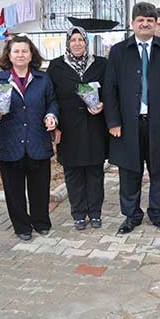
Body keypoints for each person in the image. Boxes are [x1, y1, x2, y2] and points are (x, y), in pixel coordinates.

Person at [103, 2, 160, 235]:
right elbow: (110, 89)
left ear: (157, 24)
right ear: (132, 24)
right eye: (140, 20)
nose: (145, 23)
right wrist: (113, 122)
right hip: (128, 124)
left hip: (159, 123)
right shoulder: (118, 51)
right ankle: (131, 215)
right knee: (129, 171)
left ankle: (159, 215)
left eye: (150, 20)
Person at [0, 35, 59, 241]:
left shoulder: (43, 79)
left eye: (24, 51)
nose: (20, 55)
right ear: (9, 55)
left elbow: (52, 102)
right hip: (9, 142)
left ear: (31, 54)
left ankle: (41, 222)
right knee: (14, 190)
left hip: (37, 140)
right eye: (16, 51)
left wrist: (52, 115)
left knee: (40, 187)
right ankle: (22, 226)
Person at [47, 26, 108, 230]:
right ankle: (79, 213)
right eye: (73, 40)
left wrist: (102, 105)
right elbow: (51, 97)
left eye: (81, 39)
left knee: (95, 172)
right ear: (67, 43)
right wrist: (53, 123)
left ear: (86, 41)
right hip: (69, 128)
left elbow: (109, 91)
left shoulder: (101, 64)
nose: (77, 44)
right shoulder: (56, 67)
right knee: (73, 173)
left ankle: (96, 213)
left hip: (95, 127)